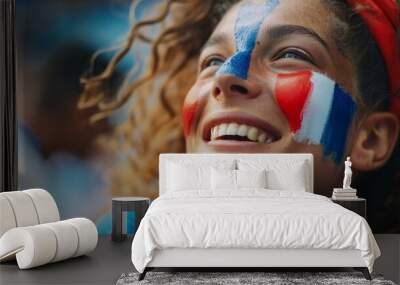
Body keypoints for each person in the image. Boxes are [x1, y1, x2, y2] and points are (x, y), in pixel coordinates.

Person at [80, 0, 400, 233]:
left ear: (370, 139)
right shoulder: (120, 241)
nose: (225, 77)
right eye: (212, 61)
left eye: (290, 55)